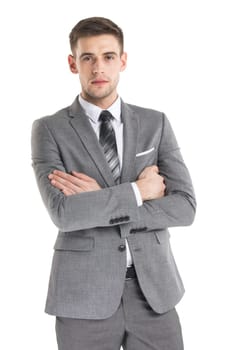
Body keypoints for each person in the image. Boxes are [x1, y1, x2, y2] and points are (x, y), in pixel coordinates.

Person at [31, 16, 196, 350]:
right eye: (87, 57)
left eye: (108, 56)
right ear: (72, 63)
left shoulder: (155, 123)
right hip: (82, 295)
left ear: (123, 60)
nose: (98, 68)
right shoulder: (48, 130)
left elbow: (185, 207)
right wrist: (139, 191)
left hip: (154, 293)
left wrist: (102, 201)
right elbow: (64, 213)